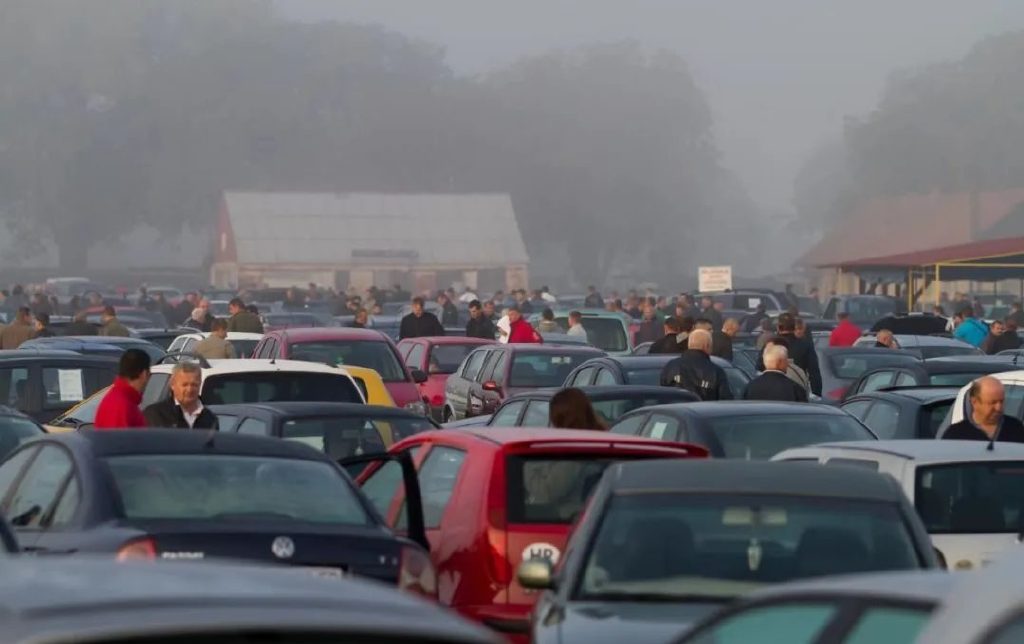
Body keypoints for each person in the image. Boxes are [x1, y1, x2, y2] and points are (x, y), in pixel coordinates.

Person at [943, 377, 1024, 443]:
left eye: (1001, 401)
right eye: (992, 403)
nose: (998, 408)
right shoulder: (956, 434)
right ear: (974, 402)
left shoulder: (1016, 429)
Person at [757, 313, 822, 396]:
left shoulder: (770, 345)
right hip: (797, 390)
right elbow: (814, 372)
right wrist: (816, 394)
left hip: (771, 390)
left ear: (778, 327)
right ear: (794, 327)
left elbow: (759, 367)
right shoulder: (805, 345)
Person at [659, 329, 732, 401]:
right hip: (705, 412)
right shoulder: (716, 372)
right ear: (707, 346)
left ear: (689, 345)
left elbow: (662, 396)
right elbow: (725, 402)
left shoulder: (671, 366)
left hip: (674, 411)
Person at [143, 362, 218, 430]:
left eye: (194, 385)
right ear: (172, 384)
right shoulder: (155, 414)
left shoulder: (209, 418)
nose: (189, 390)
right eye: (184, 385)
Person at [94, 349, 151, 429]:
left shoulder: (116, 398)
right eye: (149, 374)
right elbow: (120, 440)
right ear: (144, 374)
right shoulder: (122, 405)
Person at [744, 344, 808, 402]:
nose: (787, 364)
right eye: (786, 360)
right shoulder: (795, 389)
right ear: (781, 362)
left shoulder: (750, 387)